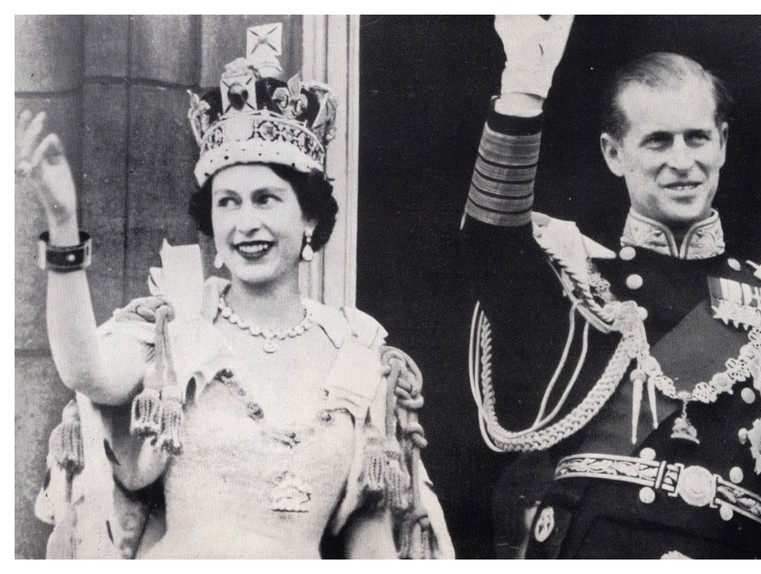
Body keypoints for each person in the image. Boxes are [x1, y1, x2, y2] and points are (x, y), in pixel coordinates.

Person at [19, 23, 452, 559]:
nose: (246, 222)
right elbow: (85, 370)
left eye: (266, 199)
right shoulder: (174, 334)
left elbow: (369, 541)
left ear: (311, 219)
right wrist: (63, 224)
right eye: (228, 202)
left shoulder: (354, 352)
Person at [463, 15, 761, 559]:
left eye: (696, 138)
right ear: (613, 153)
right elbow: (490, 250)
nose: (682, 162)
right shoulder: (580, 281)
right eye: (657, 142)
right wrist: (522, 94)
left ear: (721, 143)